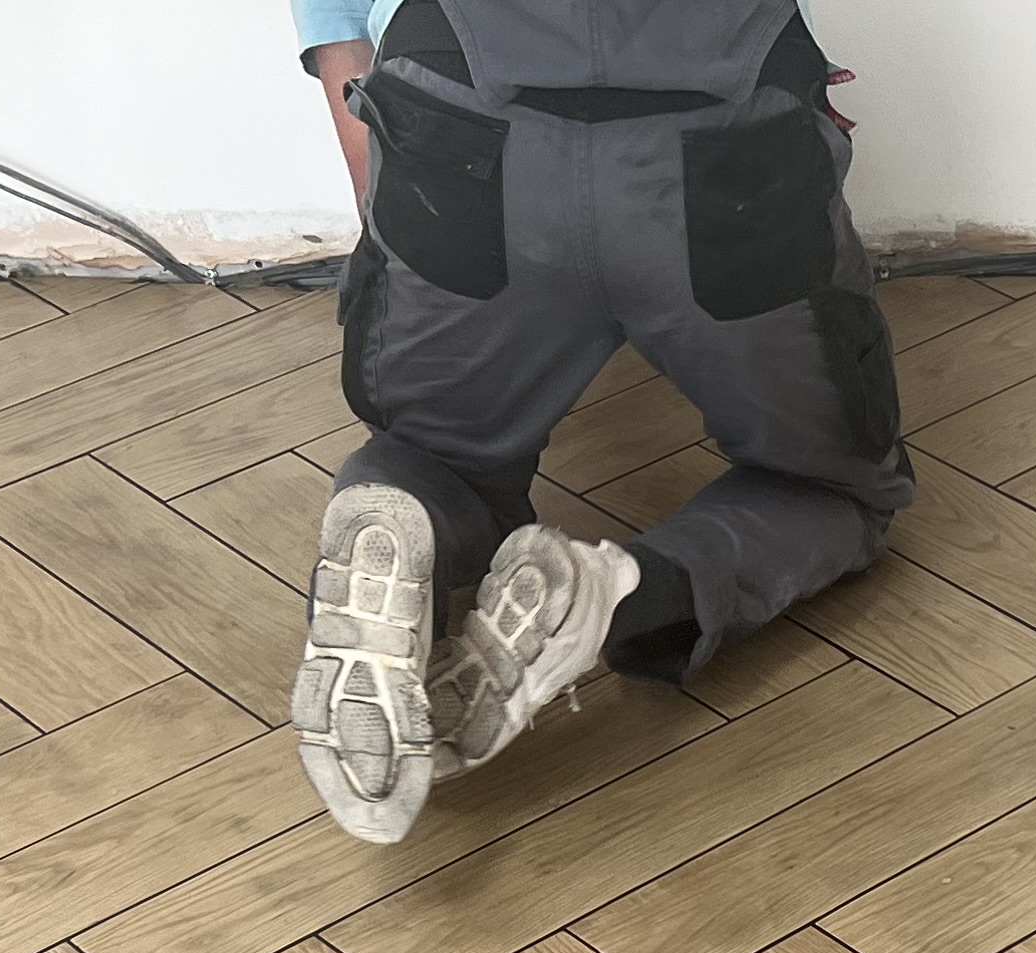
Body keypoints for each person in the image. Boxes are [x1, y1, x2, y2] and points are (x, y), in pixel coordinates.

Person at [285, 0, 912, 842]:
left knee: (433, 454)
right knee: (834, 489)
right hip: (722, 149)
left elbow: (344, 49)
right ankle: (610, 593)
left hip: (461, 127)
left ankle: (407, 515)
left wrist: (407, 217)